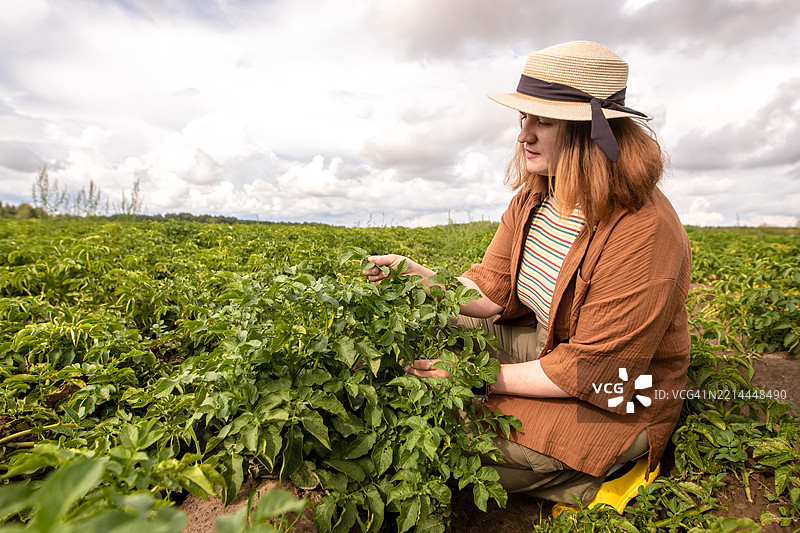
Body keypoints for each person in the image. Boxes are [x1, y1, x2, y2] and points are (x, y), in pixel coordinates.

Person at [363, 41, 691, 504]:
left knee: (465, 443)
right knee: (421, 350)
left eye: (544, 121)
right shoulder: (536, 196)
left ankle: (609, 469)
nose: (524, 135)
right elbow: (491, 291)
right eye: (525, 119)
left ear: (586, 131)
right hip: (548, 347)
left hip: (618, 392)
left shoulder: (644, 231)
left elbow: (593, 369)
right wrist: (418, 277)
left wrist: (474, 375)